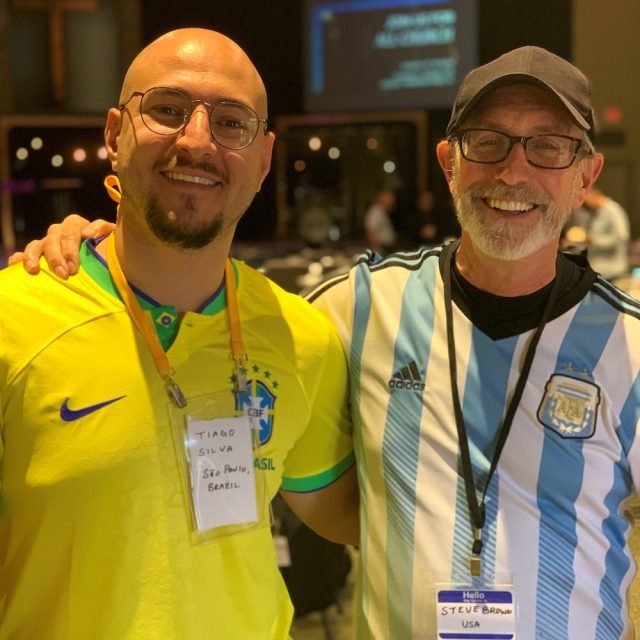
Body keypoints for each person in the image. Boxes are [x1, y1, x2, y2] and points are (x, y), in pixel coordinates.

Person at [16, 46, 640, 639]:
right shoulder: (353, 311)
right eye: (489, 142)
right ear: (450, 163)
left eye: (550, 147)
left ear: (586, 174)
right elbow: (191, 279)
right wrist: (100, 246)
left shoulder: (631, 346)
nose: (514, 170)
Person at [0, 28, 358, 640]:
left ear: (264, 159)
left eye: (231, 122)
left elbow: (350, 513)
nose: (197, 141)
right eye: (167, 110)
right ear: (115, 135)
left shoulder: (302, 337)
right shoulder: (15, 317)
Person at [563, 185, 630, 280]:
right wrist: (574, 242)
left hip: (612, 271)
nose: (584, 205)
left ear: (593, 195)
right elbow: (586, 237)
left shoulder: (613, 211)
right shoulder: (591, 213)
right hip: (596, 269)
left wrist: (594, 240)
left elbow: (621, 238)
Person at [363, 188, 397, 255]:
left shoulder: (382, 212)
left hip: (387, 247)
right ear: (382, 199)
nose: (393, 201)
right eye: (390, 198)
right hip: (381, 248)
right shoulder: (375, 212)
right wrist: (377, 251)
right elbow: (371, 231)